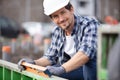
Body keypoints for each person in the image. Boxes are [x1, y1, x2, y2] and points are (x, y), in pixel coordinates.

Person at [18, 0, 100, 80]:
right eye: (55, 16)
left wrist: (62, 69)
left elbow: (85, 54)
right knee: (48, 71)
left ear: (71, 9)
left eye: (63, 12)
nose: (61, 19)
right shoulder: (57, 31)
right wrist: (33, 63)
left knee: (86, 64)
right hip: (77, 70)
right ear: (52, 19)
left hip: (97, 72)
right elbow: (50, 57)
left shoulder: (89, 25)